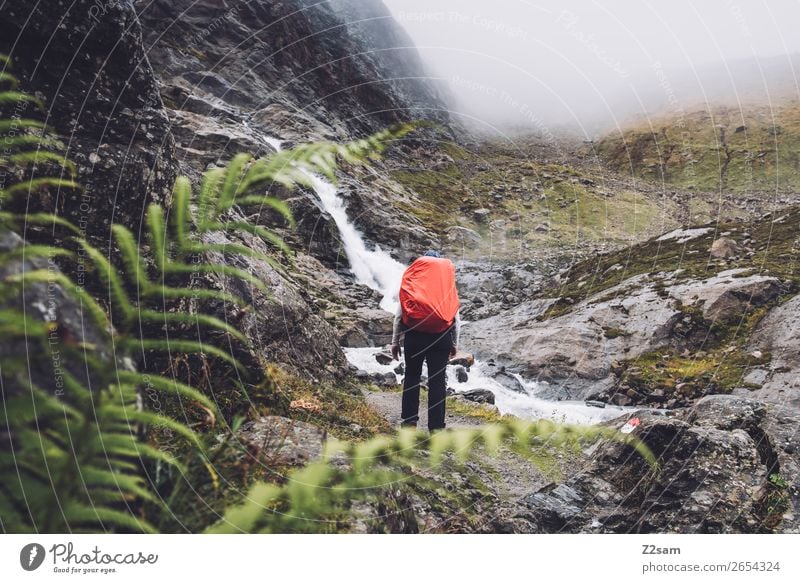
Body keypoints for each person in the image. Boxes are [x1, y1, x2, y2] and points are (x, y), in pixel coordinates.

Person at [391, 250, 461, 432]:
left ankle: (409, 422)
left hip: (414, 337)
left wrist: (395, 342)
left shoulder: (414, 285)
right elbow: (456, 319)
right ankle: (436, 428)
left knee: (412, 377)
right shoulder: (445, 286)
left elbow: (399, 316)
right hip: (441, 338)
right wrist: (454, 343)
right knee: (437, 381)